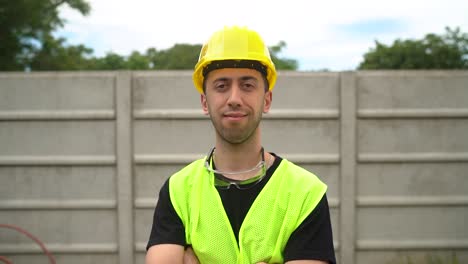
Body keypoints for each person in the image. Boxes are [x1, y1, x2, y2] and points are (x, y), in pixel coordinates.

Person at [146, 26, 336, 264]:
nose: (234, 99)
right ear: (205, 102)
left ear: (266, 100)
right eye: (221, 86)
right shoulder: (178, 191)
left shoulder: (305, 193)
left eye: (247, 85)